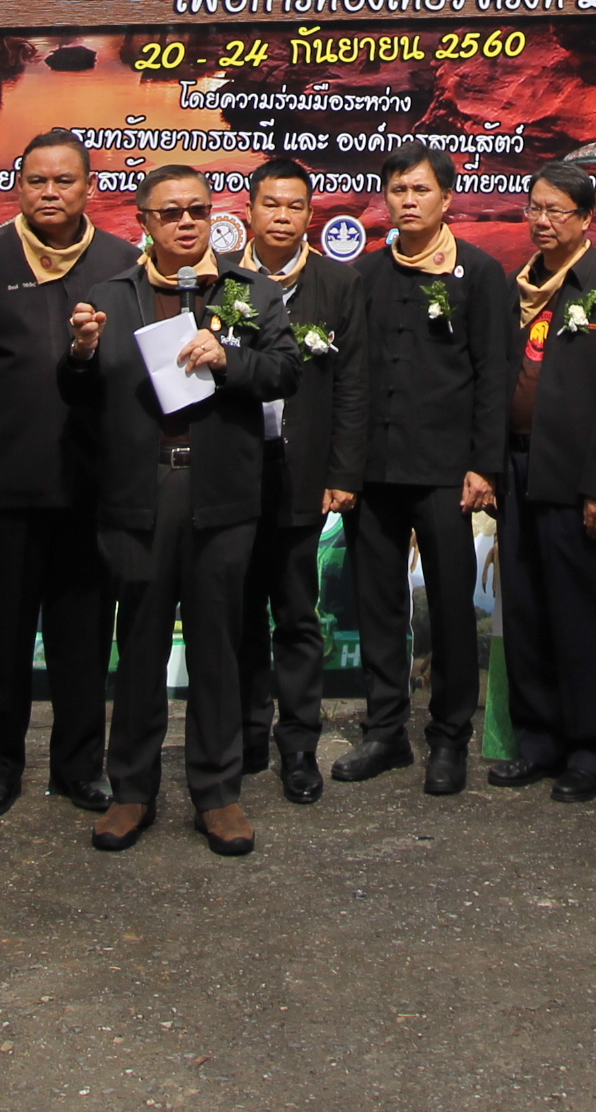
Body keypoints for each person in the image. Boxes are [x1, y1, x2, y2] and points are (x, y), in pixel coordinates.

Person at [69, 164, 298, 855]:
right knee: (139, 645)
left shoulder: (250, 291)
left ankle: (218, 793)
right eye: (170, 213)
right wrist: (79, 355)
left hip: (221, 490)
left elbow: (285, 371)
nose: (187, 222)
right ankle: (131, 791)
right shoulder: (111, 295)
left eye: (198, 209)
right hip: (140, 493)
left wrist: (229, 359)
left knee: (217, 646)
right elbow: (81, 397)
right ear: (144, 222)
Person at [0, 128, 135, 819]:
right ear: (18, 185)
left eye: (64, 181)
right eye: (36, 180)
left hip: (92, 484)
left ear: (91, 188)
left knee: (82, 637)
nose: (49, 192)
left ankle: (80, 767)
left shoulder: (122, 261)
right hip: (5, 482)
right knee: (1, 634)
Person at [332, 142, 516, 795]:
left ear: (446, 198)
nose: (408, 202)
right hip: (374, 471)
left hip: (445, 472)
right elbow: (349, 376)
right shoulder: (366, 275)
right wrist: (343, 468)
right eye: (398, 191)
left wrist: (483, 466)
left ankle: (449, 737)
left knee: (450, 607)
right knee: (378, 606)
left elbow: (495, 374)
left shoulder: (479, 272)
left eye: (420, 191)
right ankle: (385, 732)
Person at [486, 160, 596, 803]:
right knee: (525, 612)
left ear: (585, 219)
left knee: (582, 617)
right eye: (535, 208)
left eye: (556, 211)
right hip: (516, 469)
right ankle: (538, 743)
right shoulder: (514, 286)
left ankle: (592, 751)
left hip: (576, 477)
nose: (542, 221)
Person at [234, 156, 366, 805]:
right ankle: (244, 734)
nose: (281, 217)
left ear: (310, 215)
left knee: (296, 613)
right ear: (249, 210)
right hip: (234, 472)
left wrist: (342, 471)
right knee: (238, 612)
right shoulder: (222, 279)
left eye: (294, 207)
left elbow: (352, 385)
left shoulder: (338, 284)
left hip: (303, 472)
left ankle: (298, 746)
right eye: (271, 204)